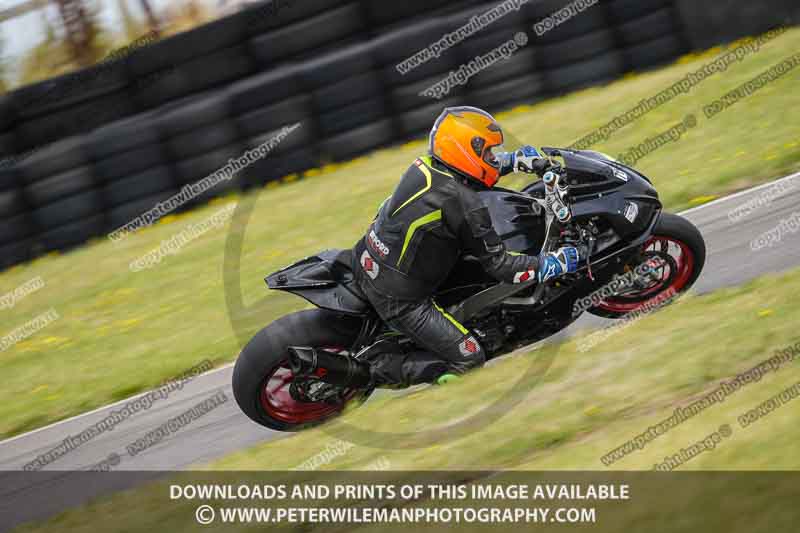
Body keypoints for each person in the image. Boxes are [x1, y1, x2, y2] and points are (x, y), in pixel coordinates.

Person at [292, 106, 579, 389]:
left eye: (493, 154)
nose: (493, 158)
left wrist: (513, 161)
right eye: (488, 153)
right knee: (470, 357)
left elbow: (470, 175)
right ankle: (374, 368)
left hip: (365, 257)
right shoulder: (464, 205)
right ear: (464, 152)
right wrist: (553, 263)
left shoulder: (424, 167)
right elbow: (501, 267)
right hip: (401, 301)